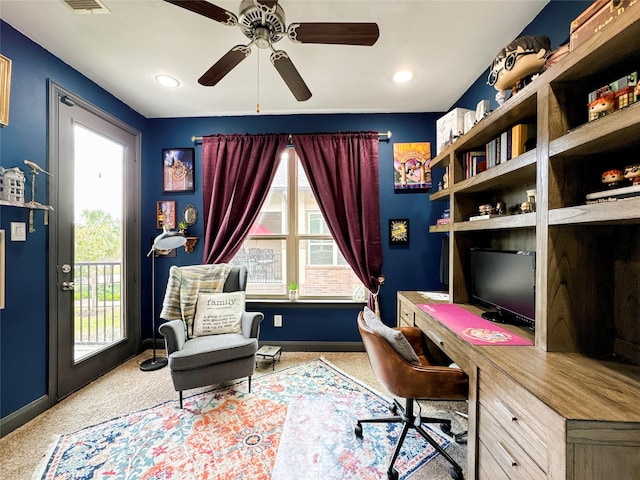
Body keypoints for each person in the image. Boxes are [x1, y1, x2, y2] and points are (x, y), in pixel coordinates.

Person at [488, 35, 551, 104]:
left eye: (509, 62)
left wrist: (538, 81)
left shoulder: (546, 71)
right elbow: (511, 106)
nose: (501, 73)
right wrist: (502, 102)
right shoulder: (515, 89)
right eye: (495, 75)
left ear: (540, 53)